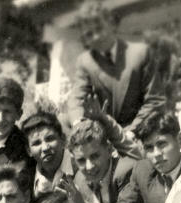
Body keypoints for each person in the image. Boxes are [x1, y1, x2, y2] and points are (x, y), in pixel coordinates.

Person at [68, 0, 167, 134]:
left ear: (112, 24)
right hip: (107, 136)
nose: (96, 37)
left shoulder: (140, 53)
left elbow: (155, 100)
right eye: (89, 34)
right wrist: (78, 123)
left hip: (141, 131)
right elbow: (77, 98)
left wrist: (131, 132)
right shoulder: (85, 61)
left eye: (99, 28)